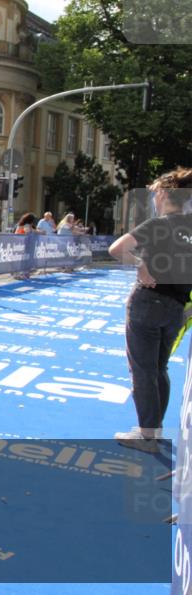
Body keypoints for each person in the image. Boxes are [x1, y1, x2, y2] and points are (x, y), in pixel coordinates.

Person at [109, 167, 192, 452]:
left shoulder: (160, 225)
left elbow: (117, 248)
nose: (154, 200)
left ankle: (147, 435)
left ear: (166, 194)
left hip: (148, 301)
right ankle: (153, 431)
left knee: (143, 370)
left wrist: (140, 264)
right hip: (177, 307)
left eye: (156, 193)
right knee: (159, 369)